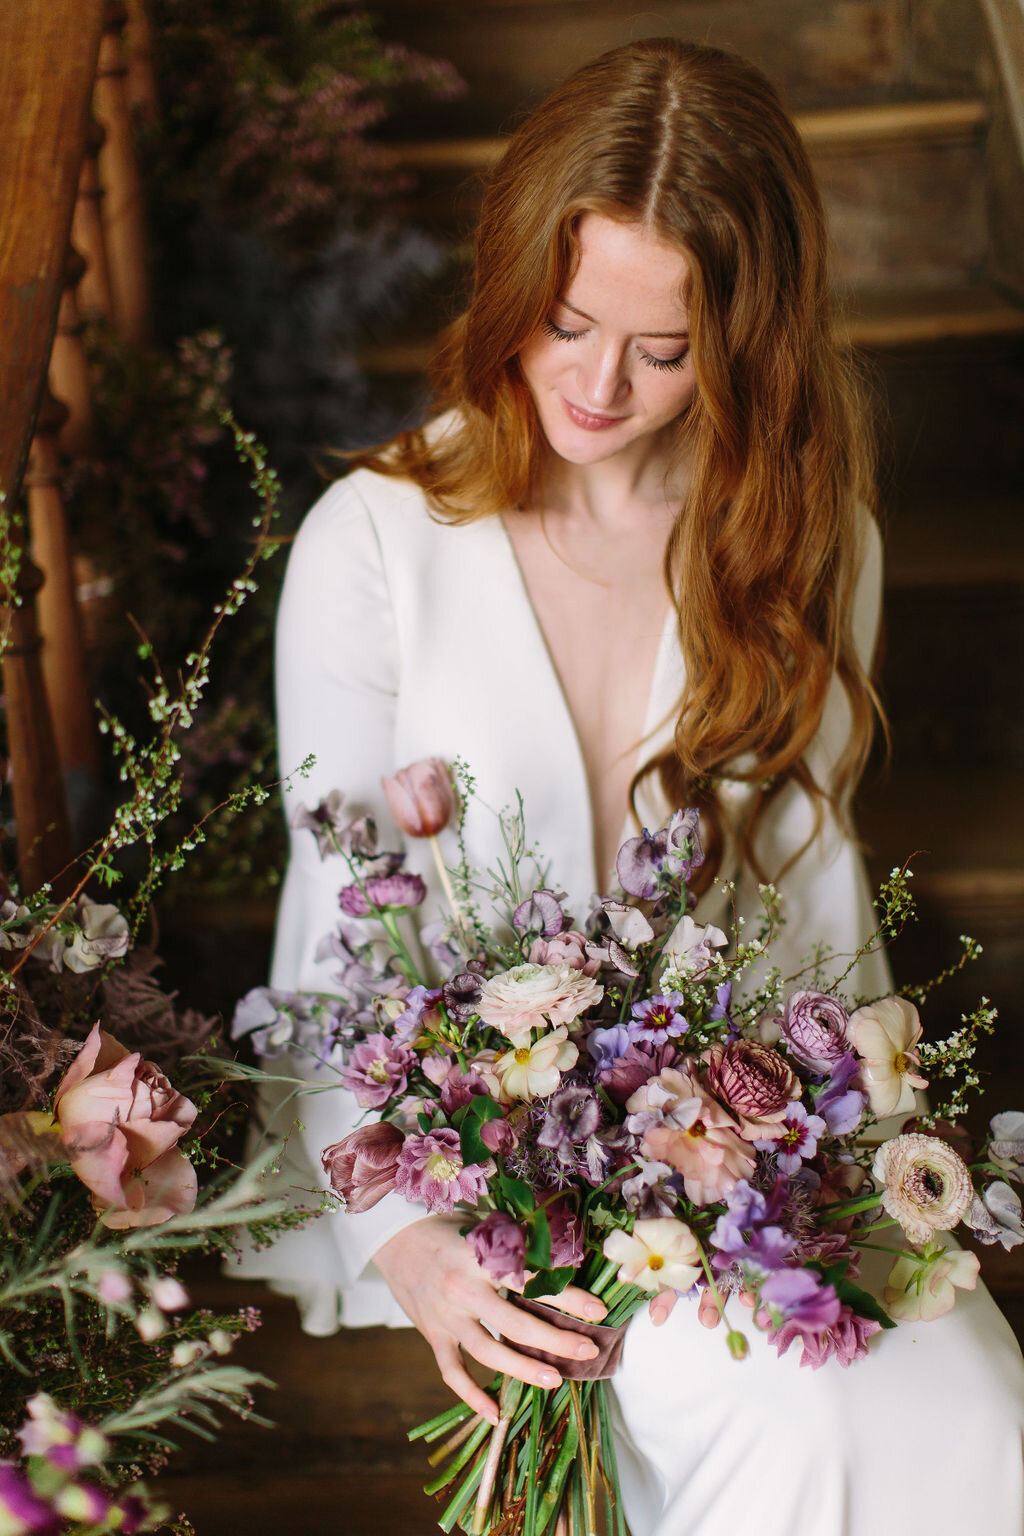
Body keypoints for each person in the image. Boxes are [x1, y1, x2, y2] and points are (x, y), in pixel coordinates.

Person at [236, 37, 1024, 1534]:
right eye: (568, 319)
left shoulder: (809, 541)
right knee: (784, 1423)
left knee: (985, 1419)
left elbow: (816, 908)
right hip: (486, 1199)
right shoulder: (376, 541)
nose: (598, 384)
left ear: (745, 340)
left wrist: (854, 1177)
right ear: (513, 273)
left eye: (664, 351)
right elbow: (336, 941)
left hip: (747, 1174)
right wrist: (407, 1238)